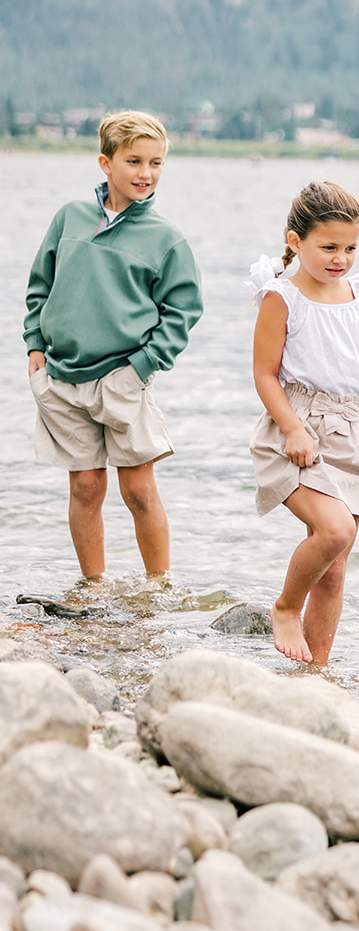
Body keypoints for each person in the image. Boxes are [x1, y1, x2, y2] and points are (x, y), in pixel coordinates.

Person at [23, 110, 203, 583]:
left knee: (139, 489)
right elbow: (40, 283)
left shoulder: (166, 239)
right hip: (63, 375)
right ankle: (93, 589)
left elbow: (183, 312)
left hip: (124, 377)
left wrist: (143, 365)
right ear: (106, 163)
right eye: (134, 161)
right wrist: (34, 344)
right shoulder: (70, 218)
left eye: (157, 163)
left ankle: (159, 588)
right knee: (85, 487)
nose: (146, 173)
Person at [250, 181, 359, 666]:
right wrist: (292, 429)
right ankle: (286, 607)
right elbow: (264, 375)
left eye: (350, 247)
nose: (341, 258)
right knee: (333, 532)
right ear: (295, 241)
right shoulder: (282, 298)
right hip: (299, 427)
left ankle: (314, 673)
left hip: (354, 432)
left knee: (334, 567)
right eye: (328, 247)